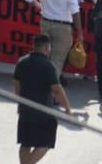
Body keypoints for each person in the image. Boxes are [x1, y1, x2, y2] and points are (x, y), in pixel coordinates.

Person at [13, 34, 72, 164]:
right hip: (43, 112)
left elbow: (17, 85)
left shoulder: (22, 62)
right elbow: (57, 90)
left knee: (25, 143)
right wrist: (67, 109)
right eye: (50, 47)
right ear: (46, 47)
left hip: (25, 110)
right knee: (45, 143)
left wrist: (19, 104)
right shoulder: (48, 66)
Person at [23, 0, 82, 77]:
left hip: (45, 23)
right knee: (57, 61)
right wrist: (80, 32)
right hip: (63, 27)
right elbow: (75, 11)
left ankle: (40, 83)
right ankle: (51, 88)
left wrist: (40, 7)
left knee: (42, 56)